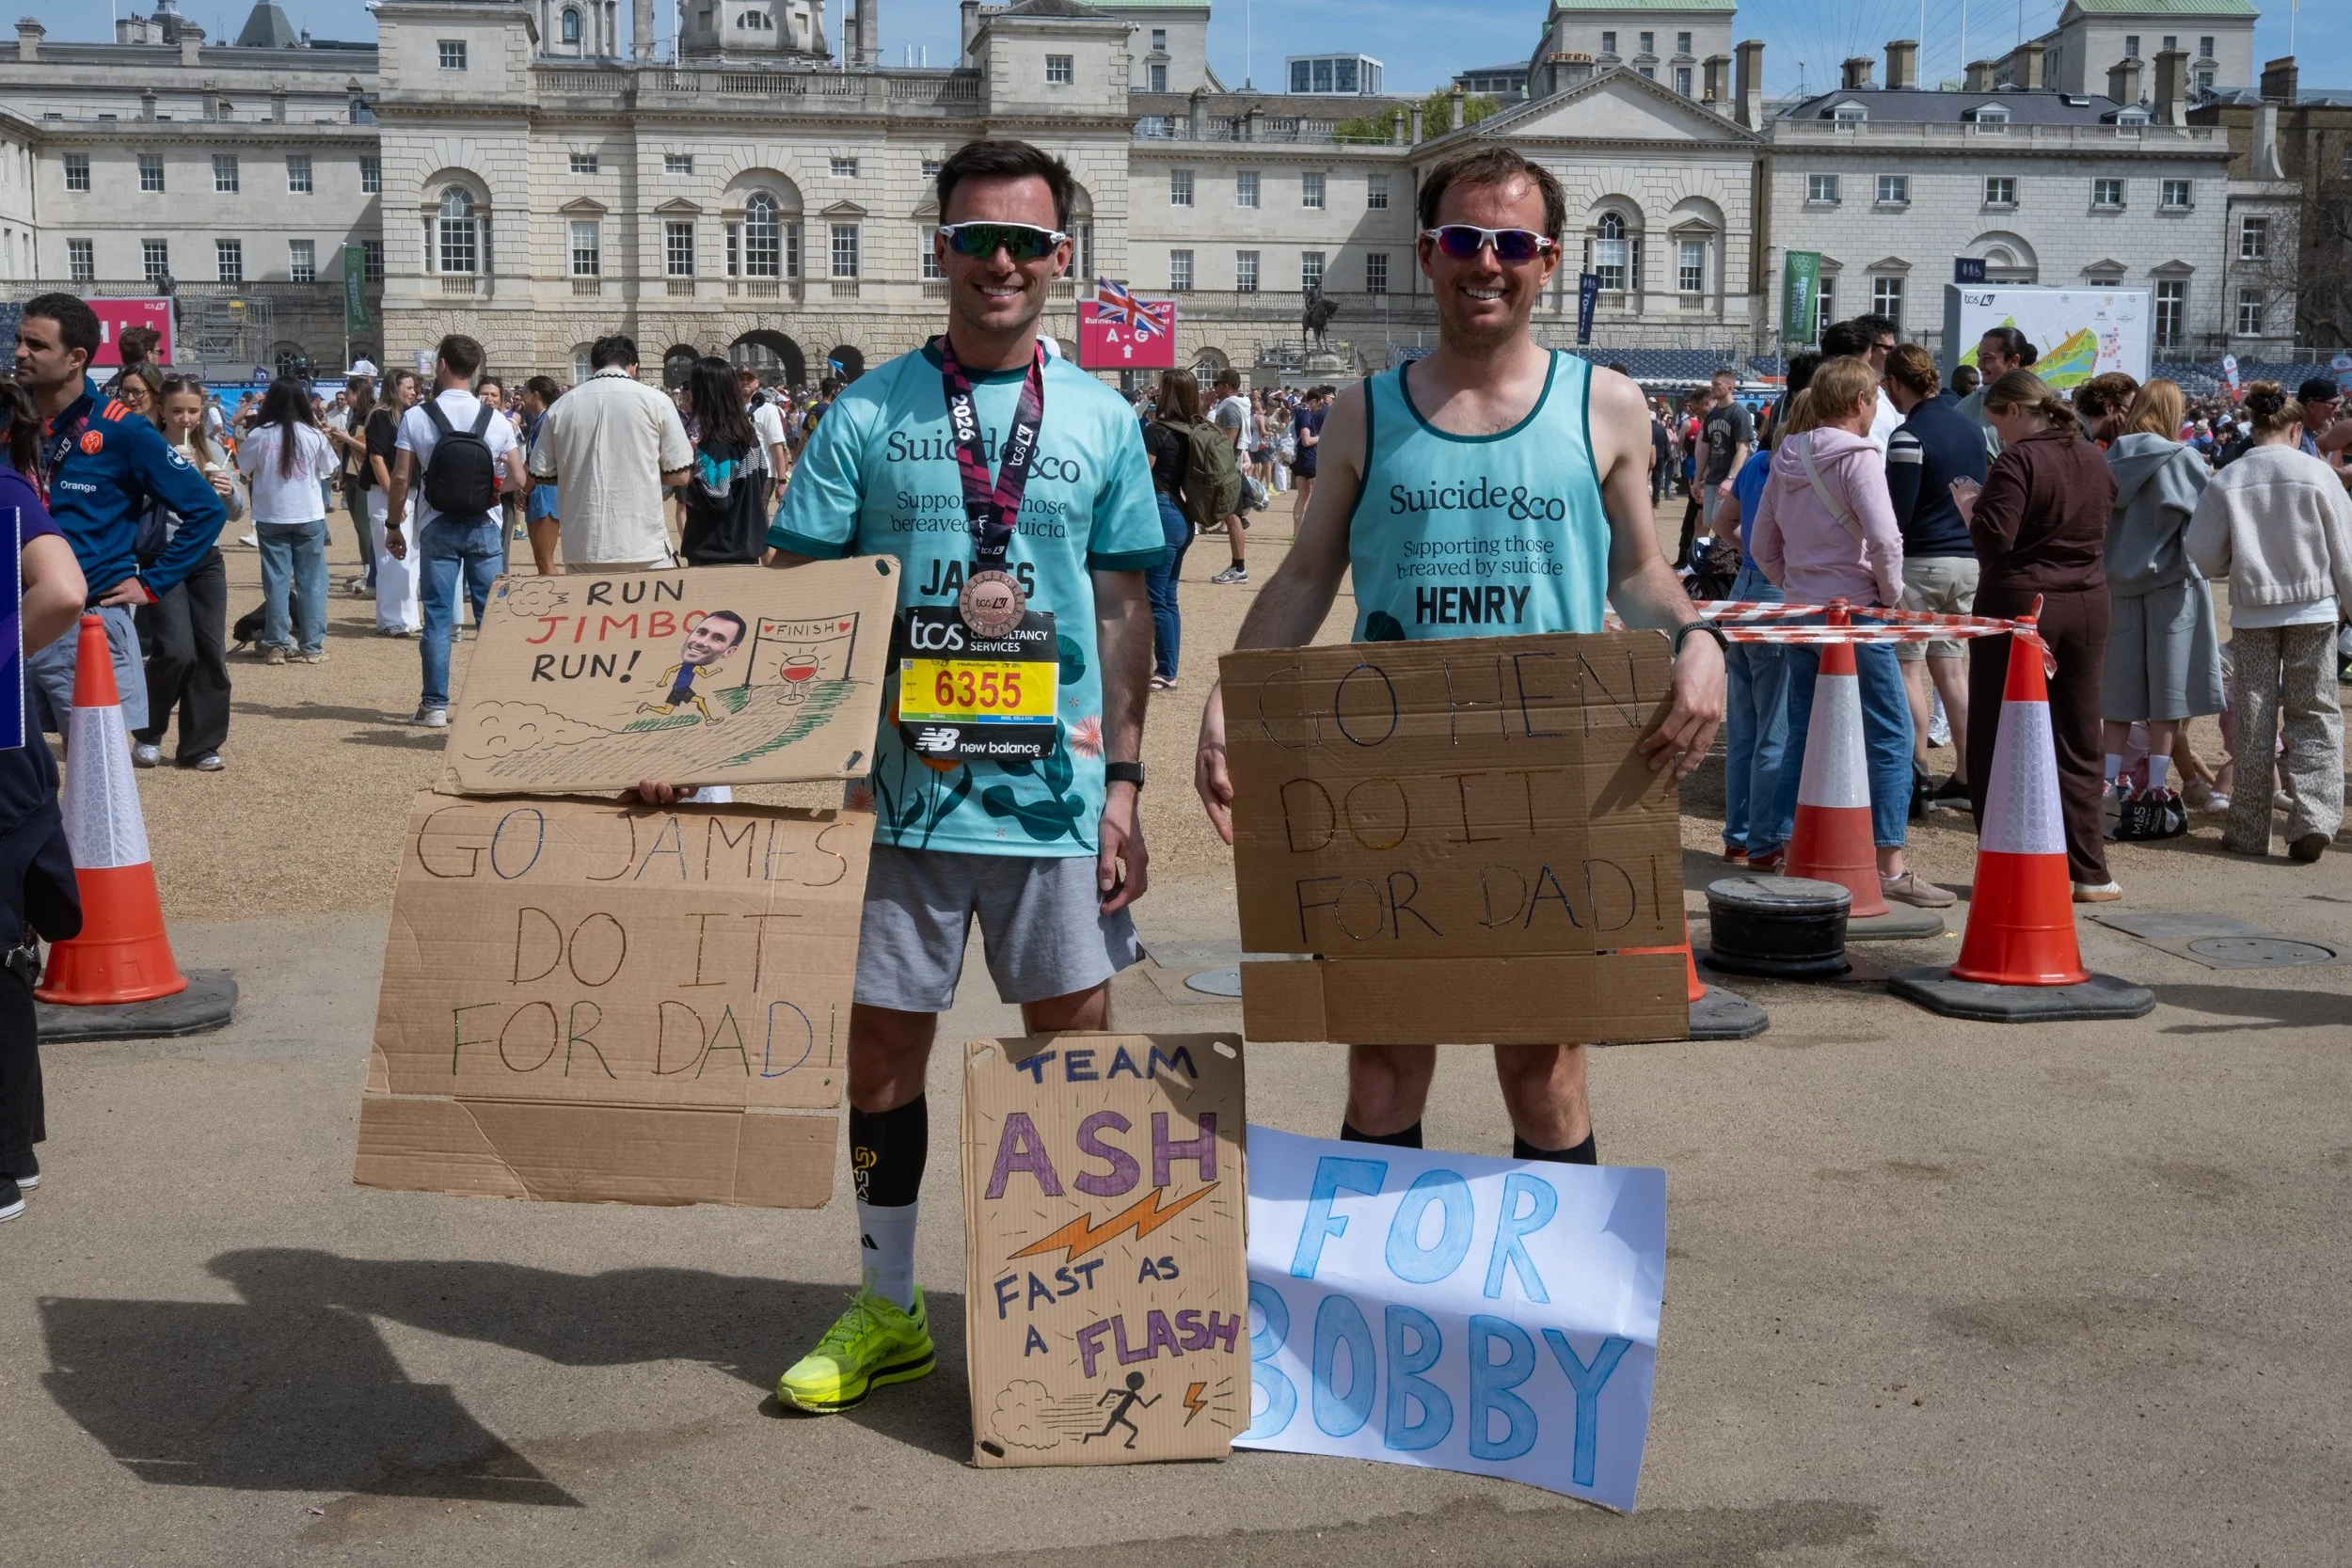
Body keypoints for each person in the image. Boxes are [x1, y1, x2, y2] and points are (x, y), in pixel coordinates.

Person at [651, 138, 1161, 1417]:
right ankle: (888, 1306)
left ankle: (1076, 1307)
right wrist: (717, 762)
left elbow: (1120, 608)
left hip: (1055, 796)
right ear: (939, 249)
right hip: (902, 793)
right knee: (883, 1047)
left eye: (1027, 242)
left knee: (1074, 1050)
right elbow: (802, 604)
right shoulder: (869, 411)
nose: (1002, 263)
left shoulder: (1101, 416)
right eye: (976, 238)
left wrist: (1131, 786)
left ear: (1060, 258)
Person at [1194, 148, 1725, 1185]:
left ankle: (1549, 1335)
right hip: (1392, 778)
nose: (1488, 262)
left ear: (1549, 261)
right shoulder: (1364, 410)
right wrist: (1227, 697)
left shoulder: (1607, 404)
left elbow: (1641, 571)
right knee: (1385, 1063)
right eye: (1465, 240)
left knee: (1544, 1069)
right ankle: (1383, 1332)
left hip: (1551, 774)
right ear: (1428, 253)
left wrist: (1701, 639)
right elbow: (1306, 576)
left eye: (1513, 243)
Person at [1751, 356, 1951, 909]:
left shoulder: (1784, 454)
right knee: (1889, 733)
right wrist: (1885, 597)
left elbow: (1760, 543)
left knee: (1802, 731)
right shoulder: (1860, 458)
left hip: (1802, 612)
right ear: (1861, 402)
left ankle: (1793, 849)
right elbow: (1887, 540)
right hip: (1855, 612)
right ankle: (1890, 863)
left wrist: (1794, 583)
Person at [13, 293, 227, 739]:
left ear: (75, 358)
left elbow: (205, 511)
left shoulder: (122, 429)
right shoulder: (11, 422)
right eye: (19, 340)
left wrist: (151, 584)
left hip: (84, 626)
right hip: (12, 621)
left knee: (97, 783)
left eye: (36, 344)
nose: (20, 353)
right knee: (15, 771)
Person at [1948, 370, 2119, 900]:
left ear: (2017, 412)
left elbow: (1994, 539)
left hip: (2021, 605)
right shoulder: (2093, 457)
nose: (1996, 431)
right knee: (2079, 735)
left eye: (1997, 419)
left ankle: (2005, 859)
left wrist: (1970, 509)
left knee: (1997, 734)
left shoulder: (2018, 460)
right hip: (2087, 599)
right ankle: (2089, 870)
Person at [2186, 382, 2352, 863]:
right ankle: (2315, 818)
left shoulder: (2229, 478)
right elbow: (2345, 550)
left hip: (2255, 610)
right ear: (2297, 427)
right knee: (2316, 712)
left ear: (2253, 427)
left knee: (2254, 718)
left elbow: (2201, 552)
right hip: (2315, 609)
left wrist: (2230, 567)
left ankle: (2248, 827)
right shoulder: (2318, 475)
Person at [0, 382, 90, 1222]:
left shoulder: (4, 491)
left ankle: (5, 1158)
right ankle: (9, 1152)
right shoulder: (14, 485)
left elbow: (65, 590)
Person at [384, 333, 527, 727]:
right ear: (475, 369)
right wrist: (492, 491)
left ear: (443, 365)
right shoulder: (497, 420)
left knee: (439, 615)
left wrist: (395, 524)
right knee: (491, 616)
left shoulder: (417, 417)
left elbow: (400, 478)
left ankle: (434, 705)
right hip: (485, 523)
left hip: (436, 521)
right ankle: (494, 703)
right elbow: (519, 476)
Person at [2100, 378, 2221, 838]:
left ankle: (2108, 783)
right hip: (2171, 586)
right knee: (2167, 693)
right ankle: (2154, 786)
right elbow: (2205, 525)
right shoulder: (2184, 458)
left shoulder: (2109, 459)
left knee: (2118, 689)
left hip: (2117, 583)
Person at [1883, 343, 1986, 808]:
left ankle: (1918, 774)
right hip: (1968, 561)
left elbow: (1897, 513)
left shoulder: (1909, 434)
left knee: (1908, 669)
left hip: (1921, 561)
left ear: (1897, 384)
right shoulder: (1973, 429)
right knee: (1951, 671)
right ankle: (1967, 774)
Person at [1720, 353, 1812, 867]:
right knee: (1775, 726)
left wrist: (1754, 554)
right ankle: (1765, 841)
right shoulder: (1791, 465)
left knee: (1746, 726)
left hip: (1744, 587)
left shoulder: (1758, 462)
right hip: (1777, 591)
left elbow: (1720, 521)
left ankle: (1739, 835)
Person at [132, 375, 234, 770]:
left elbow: (236, 512)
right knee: (175, 650)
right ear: (161, 410)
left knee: (211, 652)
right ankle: (148, 730)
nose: (186, 419)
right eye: (177, 411)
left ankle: (201, 745)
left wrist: (226, 491)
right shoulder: (149, 448)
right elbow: (131, 502)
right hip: (163, 555)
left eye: (193, 411)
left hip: (206, 558)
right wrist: (169, 479)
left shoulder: (209, 448)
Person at [525, 335, 691, 575]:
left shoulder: (562, 406)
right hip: (643, 543)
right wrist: (644, 474)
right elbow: (682, 475)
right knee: (648, 613)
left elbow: (541, 472)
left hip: (584, 544)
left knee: (589, 612)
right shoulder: (657, 401)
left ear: (593, 367)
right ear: (634, 367)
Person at [236, 376, 341, 666]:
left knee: (276, 581)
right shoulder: (313, 434)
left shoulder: (259, 434)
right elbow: (331, 470)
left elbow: (243, 469)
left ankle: (276, 644)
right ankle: (312, 645)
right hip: (308, 514)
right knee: (313, 581)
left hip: (271, 516)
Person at [1141, 367, 1207, 689]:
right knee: (1168, 597)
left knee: (1155, 598)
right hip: (1182, 516)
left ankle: (1166, 670)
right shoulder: (1192, 431)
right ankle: (1168, 667)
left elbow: (1139, 476)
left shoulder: (1157, 432)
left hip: (1161, 513)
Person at [675, 356, 768, 566]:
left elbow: (716, 497)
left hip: (716, 553)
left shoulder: (715, 443)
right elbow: (762, 474)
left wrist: (690, 470)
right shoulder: (746, 434)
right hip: (747, 547)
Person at [365, 370, 422, 637]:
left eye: (414, 388)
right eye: (408, 387)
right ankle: (390, 619)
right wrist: (393, 498)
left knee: (411, 556)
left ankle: (408, 616)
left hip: (410, 491)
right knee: (390, 558)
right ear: (394, 388)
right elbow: (376, 458)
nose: (413, 392)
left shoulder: (410, 417)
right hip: (384, 493)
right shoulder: (379, 416)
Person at [1693, 368, 1754, 566]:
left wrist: (1731, 478)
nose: (1713, 387)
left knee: (1725, 526)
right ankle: (1714, 564)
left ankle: (1737, 564)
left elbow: (1743, 448)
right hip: (1713, 478)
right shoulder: (1712, 416)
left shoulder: (1739, 413)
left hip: (1730, 480)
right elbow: (1704, 450)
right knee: (1708, 523)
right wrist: (1697, 479)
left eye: (1716, 384)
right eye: (1712, 384)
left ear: (1729, 387)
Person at [328, 373, 377, 597]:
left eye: (348, 394)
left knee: (364, 525)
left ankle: (371, 574)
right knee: (360, 526)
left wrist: (346, 439)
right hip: (351, 474)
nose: (345, 398)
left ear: (359, 393)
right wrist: (337, 440)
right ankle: (367, 570)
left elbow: (373, 451)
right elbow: (348, 450)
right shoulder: (356, 416)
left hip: (365, 476)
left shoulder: (372, 415)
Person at [1955, 327, 2032, 459]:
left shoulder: (2042, 404)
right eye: (1980, 357)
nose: (1979, 365)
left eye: (1988, 358)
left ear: (2014, 360)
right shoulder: (1967, 407)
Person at [1207, 369, 1250, 584]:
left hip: (1228, 472)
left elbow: (1228, 441)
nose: (1215, 388)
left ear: (1227, 385)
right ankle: (1238, 567)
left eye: (1217, 383)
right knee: (1233, 518)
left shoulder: (1230, 408)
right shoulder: (1230, 406)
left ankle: (1239, 568)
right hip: (1229, 471)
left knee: (1233, 519)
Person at [516, 376, 564, 562]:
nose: (522, 396)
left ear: (535, 395)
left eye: (526, 392)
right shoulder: (541, 420)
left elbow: (539, 464)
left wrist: (524, 491)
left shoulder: (546, 421)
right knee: (541, 560)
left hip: (545, 493)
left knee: (545, 560)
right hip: (539, 491)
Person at [1290, 383, 1327, 525]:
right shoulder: (1305, 415)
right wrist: (1323, 436)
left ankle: (1297, 532)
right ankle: (1312, 528)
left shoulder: (1298, 412)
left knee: (1302, 496)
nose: (1320, 408)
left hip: (1300, 459)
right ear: (1313, 401)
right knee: (1318, 497)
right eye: (1319, 404)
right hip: (1309, 460)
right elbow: (1306, 440)